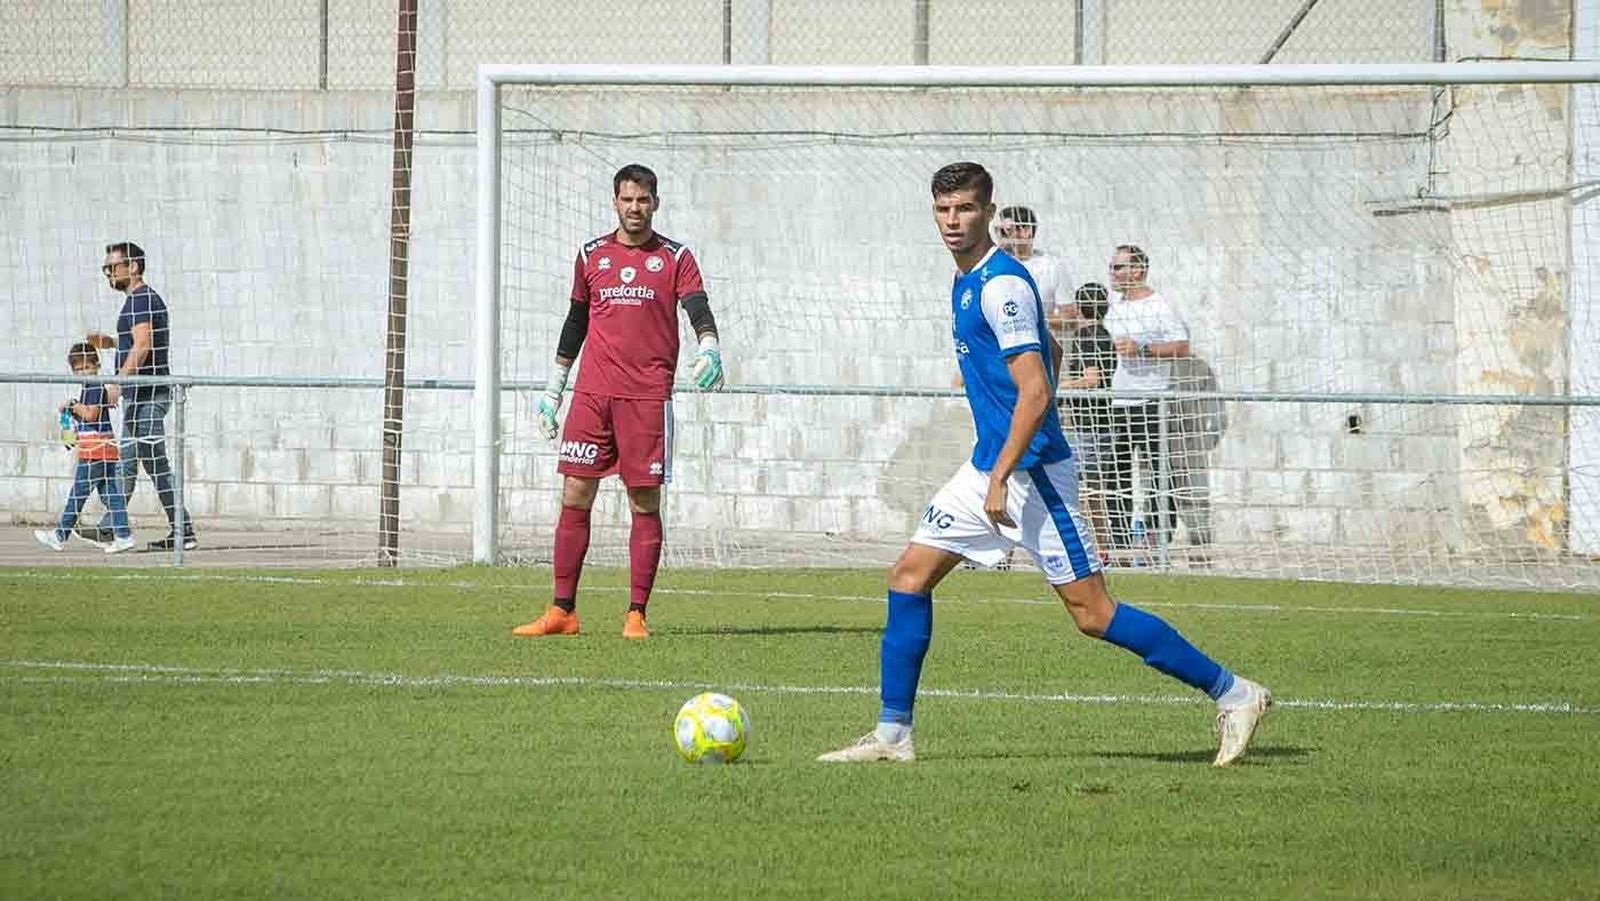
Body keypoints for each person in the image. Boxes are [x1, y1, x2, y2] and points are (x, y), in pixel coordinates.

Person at [817, 162, 1269, 767]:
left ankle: (1235, 693)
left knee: (1093, 614)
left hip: (1032, 477)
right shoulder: (968, 279)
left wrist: (1005, 473)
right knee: (908, 577)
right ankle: (893, 735)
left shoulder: (1001, 285)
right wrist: (994, 465)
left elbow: (1034, 390)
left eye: (966, 210)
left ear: (989, 212)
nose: (953, 221)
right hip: (987, 468)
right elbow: (1048, 352)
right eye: (943, 210)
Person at [513, 164, 725, 640]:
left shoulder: (675, 257)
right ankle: (562, 611)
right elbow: (576, 321)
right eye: (627, 199)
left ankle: (636, 614)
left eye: (643, 199)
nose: (635, 208)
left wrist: (708, 344)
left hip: (646, 397)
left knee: (642, 499)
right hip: (592, 395)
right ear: (615, 202)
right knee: (575, 493)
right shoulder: (591, 255)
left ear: (655, 202)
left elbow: (696, 306)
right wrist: (554, 388)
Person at [83, 241, 196, 552]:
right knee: (145, 463)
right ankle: (180, 530)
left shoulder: (141, 299)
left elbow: (143, 345)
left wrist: (118, 384)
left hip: (148, 394)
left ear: (132, 266)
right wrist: (111, 342)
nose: (108, 273)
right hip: (143, 394)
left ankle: (111, 527)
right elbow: (137, 341)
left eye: (112, 267)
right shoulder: (139, 301)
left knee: (138, 464)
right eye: (105, 268)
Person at [1103, 244, 1188, 555]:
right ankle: (1121, 536)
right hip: (1117, 402)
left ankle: (1158, 537)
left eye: (1118, 267)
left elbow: (1181, 347)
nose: (1111, 273)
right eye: (1112, 267)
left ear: (1137, 271)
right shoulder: (1112, 305)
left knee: (1156, 469)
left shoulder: (1159, 305)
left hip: (1152, 401)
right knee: (1116, 472)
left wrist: (1142, 349)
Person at [34, 343, 137, 554]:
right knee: (112, 496)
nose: (83, 373)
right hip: (104, 450)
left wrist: (72, 405)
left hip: (95, 452)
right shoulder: (91, 388)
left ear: (96, 365)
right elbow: (88, 414)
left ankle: (60, 535)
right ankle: (124, 536)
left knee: (77, 494)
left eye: (87, 367)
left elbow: (90, 414)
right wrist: (71, 414)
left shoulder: (94, 386)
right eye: (78, 370)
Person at [1057, 282, 1117, 558]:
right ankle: (1101, 547)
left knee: (1082, 490)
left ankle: (1089, 547)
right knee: (1092, 489)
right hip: (1100, 422)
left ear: (1079, 307)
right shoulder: (1105, 334)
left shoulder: (1087, 336)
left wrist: (1058, 388)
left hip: (1089, 425)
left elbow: (1092, 380)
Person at [993, 205, 1069, 340]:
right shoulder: (992, 266)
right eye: (996, 231)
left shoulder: (1052, 266)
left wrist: (1032, 321)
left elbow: (1069, 317)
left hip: (1040, 349)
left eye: (1005, 231)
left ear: (1026, 231)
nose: (999, 237)